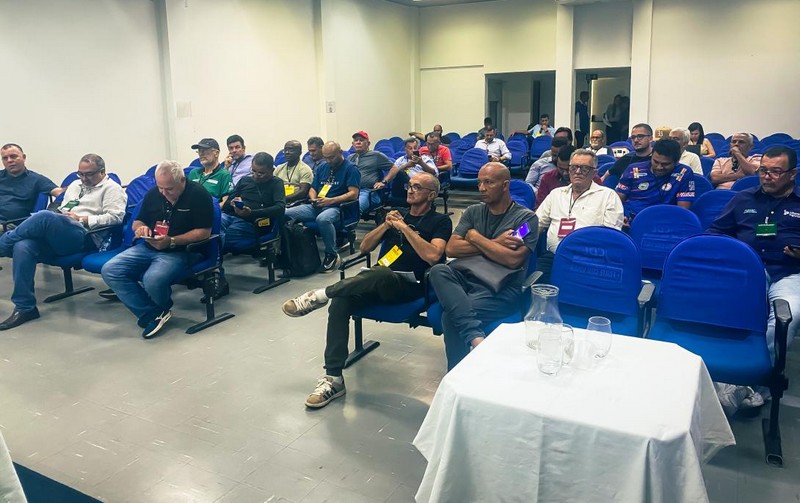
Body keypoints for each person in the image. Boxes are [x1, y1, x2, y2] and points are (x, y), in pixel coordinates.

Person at [281, 172, 452, 408]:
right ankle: (333, 379)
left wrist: (405, 229)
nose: (410, 190)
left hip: (411, 287)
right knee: (342, 300)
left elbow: (433, 256)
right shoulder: (397, 214)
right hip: (376, 282)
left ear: (431, 195)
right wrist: (386, 225)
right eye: (409, 186)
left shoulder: (440, 221)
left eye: (417, 187)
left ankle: (320, 295)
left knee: (381, 273)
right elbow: (365, 247)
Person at [707, 146, 800, 415]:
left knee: (787, 317)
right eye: (763, 170)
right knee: (716, 309)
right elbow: (714, 232)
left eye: (775, 171)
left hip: (789, 273)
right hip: (746, 271)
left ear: (792, 174)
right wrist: (732, 252)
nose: (767, 176)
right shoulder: (743, 198)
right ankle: (719, 373)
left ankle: (755, 382)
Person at [429, 163, 538, 370]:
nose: (481, 188)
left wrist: (474, 236)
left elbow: (512, 260)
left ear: (505, 185)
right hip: (468, 278)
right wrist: (495, 243)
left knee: (450, 317)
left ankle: (457, 373)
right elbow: (451, 248)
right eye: (479, 182)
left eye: (488, 182)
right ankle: (475, 338)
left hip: (502, 288)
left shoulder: (526, 219)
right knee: (437, 270)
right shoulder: (473, 211)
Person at [0, 154, 126, 330]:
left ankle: (3, 244)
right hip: (61, 233)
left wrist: (83, 219)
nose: (83, 178)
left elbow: (116, 217)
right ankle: (25, 307)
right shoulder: (75, 185)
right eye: (80, 174)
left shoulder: (112, 189)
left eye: (89, 174)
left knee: (44, 216)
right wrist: (62, 217)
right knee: (23, 246)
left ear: (102, 172)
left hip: (85, 236)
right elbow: (64, 209)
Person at [101, 160, 214, 339]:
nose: (164, 193)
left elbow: (204, 232)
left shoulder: (199, 195)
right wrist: (141, 229)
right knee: (110, 269)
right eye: (160, 188)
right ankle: (153, 313)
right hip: (150, 246)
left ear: (182, 181)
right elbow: (138, 221)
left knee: (152, 279)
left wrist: (172, 241)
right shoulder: (155, 193)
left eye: (169, 189)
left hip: (182, 251)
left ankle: (157, 310)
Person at [535, 149, 623, 282]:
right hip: (554, 257)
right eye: (574, 167)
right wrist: (516, 235)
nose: (577, 172)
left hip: (589, 261)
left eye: (584, 168)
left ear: (594, 172)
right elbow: (535, 223)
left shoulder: (608, 196)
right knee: (536, 288)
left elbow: (610, 238)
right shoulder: (556, 194)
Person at [284, 142, 360, 272]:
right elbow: (313, 188)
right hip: (318, 205)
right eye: (326, 157)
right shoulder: (322, 167)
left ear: (340, 152)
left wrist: (330, 201)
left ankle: (331, 254)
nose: (329, 161)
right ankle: (289, 252)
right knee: (285, 213)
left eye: (331, 157)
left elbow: (354, 194)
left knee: (323, 219)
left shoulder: (351, 169)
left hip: (338, 207)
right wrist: (313, 198)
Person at [217, 152, 286, 295]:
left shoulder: (276, 183)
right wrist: (233, 204)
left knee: (218, 239)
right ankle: (215, 274)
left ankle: (217, 277)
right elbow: (227, 204)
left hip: (254, 223)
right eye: (253, 171)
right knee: (213, 230)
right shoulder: (245, 180)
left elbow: (280, 208)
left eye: (261, 173)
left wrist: (251, 213)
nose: (256, 176)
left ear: (271, 170)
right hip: (232, 216)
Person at [615, 138, 696, 219]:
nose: (659, 167)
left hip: (664, 220)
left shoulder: (684, 173)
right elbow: (617, 201)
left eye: (665, 164)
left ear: (676, 161)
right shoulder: (633, 169)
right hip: (631, 218)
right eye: (656, 162)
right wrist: (620, 217)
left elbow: (682, 211)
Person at [0, 143, 62, 225]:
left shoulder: (36, 180)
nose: (9, 160)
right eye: (5, 158)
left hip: (11, 225)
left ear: (24, 157)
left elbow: (62, 194)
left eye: (13, 156)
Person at [347, 131, 393, 214]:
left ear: (368, 143)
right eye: (356, 140)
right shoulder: (350, 158)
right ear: (353, 144)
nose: (358, 142)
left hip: (368, 192)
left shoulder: (376, 156)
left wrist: (384, 181)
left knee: (355, 209)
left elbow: (394, 168)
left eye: (361, 140)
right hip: (350, 191)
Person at [535, 145, 576, 210]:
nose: (565, 173)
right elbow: (540, 207)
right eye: (561, 169)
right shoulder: (548, 178)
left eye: (568, 169)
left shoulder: (588, 179)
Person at [275, 140, 314, 205]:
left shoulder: (305, 169)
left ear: (299, 153)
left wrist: (283, 199)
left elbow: (303, 192)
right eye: (285, 150)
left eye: (291, 150)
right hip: (278, 201)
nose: (287, 152)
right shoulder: (279, 168)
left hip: (296, 202)